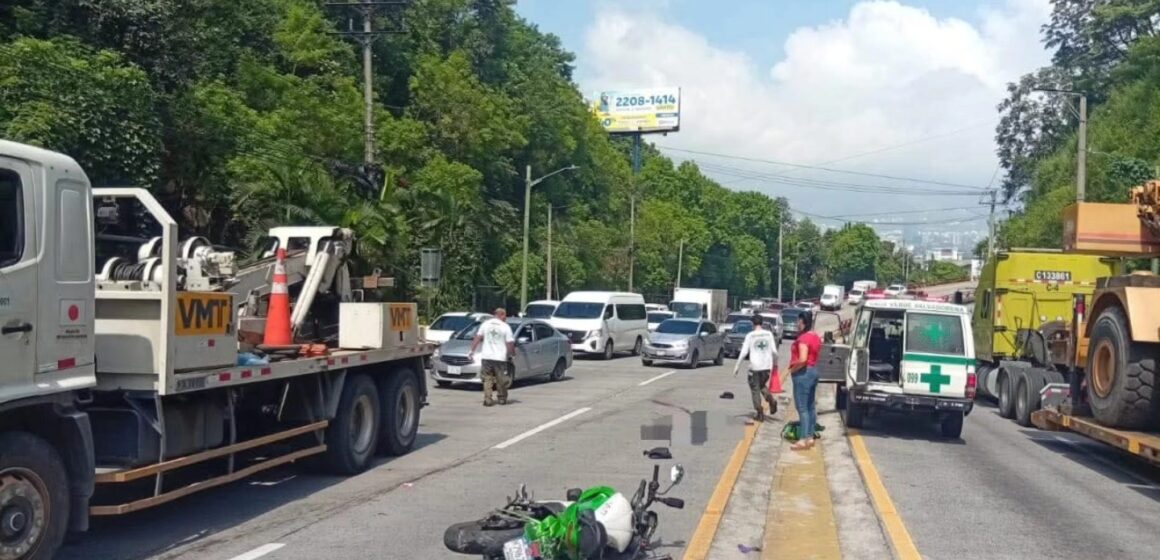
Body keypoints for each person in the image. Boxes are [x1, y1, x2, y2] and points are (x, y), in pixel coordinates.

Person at [731, 317, 779, 422]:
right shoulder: (769, 334)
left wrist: (737, 366)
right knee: (761, 385)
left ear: (753, 324)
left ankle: (759, 412)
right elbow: (775, 352)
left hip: (755, 368)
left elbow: (744, 352)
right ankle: (771, 400)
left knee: (755, 389)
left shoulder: (750, 335)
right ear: (762, 323)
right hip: (766, 367)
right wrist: (775, 365)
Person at [787, 312, 822, 450]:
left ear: (803, 322)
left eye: (798, 322)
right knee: (810, 406)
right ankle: (810, 436)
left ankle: (803, 439)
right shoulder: (815, 337)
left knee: (802, 408)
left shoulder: (803, 339)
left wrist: (792, 370)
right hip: (813, 371)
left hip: (803, 373)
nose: (797, 324)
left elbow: (802, 358)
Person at [469, 308, 515, 407]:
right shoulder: (505, 327)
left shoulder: (485, 324)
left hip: (486, 357)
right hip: (500, 358)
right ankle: (502, 398)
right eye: (505, 316)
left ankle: (488, 399)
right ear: (502, 315)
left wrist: (472, 350)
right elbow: (510, 343)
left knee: (487, 379)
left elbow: (477, 337)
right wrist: (512, 353)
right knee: (501, 379)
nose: (506, 318)